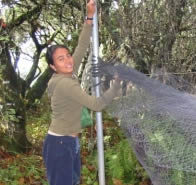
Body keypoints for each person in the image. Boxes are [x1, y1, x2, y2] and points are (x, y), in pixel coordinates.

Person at [43, 0, 121, 184]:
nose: (68, 60)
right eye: (61, 59)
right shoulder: (64, 84)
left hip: (68, 142)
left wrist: (89, 17)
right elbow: (96, 104)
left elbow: (81, 47)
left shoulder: (68, 72)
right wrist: (116, 86)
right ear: (53, 66)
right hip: (60, 145)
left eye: (68, 55)